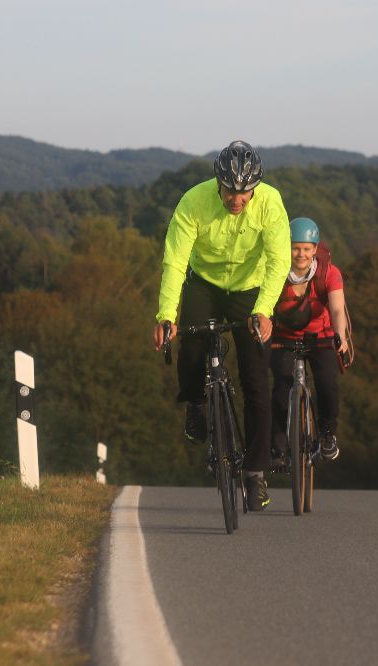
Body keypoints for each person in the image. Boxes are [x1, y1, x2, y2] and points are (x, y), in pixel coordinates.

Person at [152, 140, 290, 511]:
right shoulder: (193, 201)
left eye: (245, 193)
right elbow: (175, 262)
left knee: (257, 380)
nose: (237, 200)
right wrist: (166, 315)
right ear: (218, 183)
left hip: (250, 289)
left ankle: (255, 474)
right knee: (192, 347)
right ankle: (195, 403)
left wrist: (264, 310)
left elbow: (279, 261)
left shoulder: (271, 203)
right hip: (205, 284)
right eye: (230, 191)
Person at [270, 217, 350, 463]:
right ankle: (278, 446)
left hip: (322, 337)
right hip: (283, 337)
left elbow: (337, 309)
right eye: (295, 248)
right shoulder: (275, 272)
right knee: (281, 387)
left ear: (315, 249)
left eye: (306, 249)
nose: (300, 254)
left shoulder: (329, 273)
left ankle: (327, 435)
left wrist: (340, 335)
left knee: (327, 382)